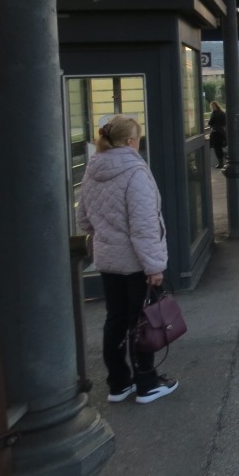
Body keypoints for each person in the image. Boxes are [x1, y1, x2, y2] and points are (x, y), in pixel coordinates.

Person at [76, 115, 178, 404]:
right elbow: (144, 225)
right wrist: (154, 267)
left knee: (115, 320)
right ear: (132, 141)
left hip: (108, 261)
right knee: (142, 322)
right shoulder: (136, 172)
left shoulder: (92, 169)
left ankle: (118, 384)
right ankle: (146, 382)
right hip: (137, 264)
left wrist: (107, 233)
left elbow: (83, 219)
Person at [208, 100, 227, 168]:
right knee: (222, 146)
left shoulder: (214, 113)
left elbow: (210, 123)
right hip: (222, 131)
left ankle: (220, 163)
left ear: (212, 107)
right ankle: (225, 155)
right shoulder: (222, 112)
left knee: (217, 148)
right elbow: (225, 122)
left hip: (215, 132)